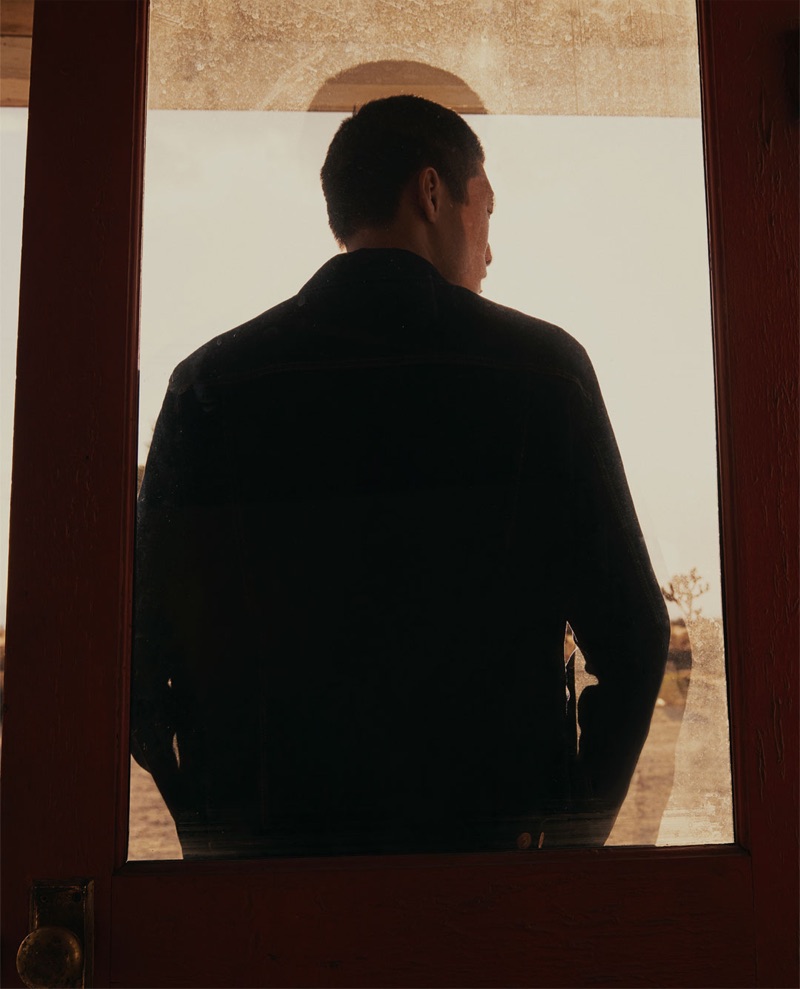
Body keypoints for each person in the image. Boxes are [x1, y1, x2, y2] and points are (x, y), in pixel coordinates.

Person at [131, 95, 669, 858]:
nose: (490, 251)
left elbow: (138, 659)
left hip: (270, 877)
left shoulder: (209, 384)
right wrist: (572, 841)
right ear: (431, 193)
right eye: (487, 211)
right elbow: (635, 637)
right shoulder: (543, 371)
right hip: (488, 862)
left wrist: (209, 831)